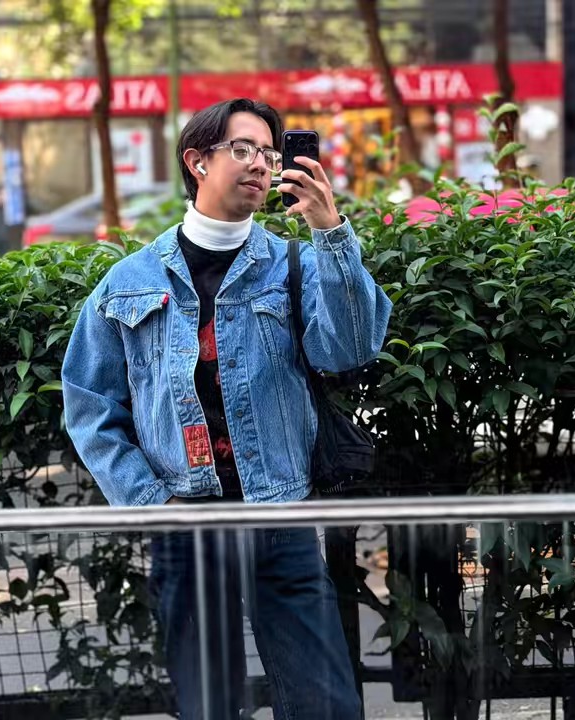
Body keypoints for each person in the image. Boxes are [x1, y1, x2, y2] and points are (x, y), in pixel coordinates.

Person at [62, 98, 392, 719]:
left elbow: (349, 349)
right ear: (197, 162)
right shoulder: (129, 282)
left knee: (324, 705)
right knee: (208, 706)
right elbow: (89, 407)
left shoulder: (293, 265)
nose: (262, 164)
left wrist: (331, 233)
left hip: (280, 517)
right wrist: (152, 503)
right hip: (186, 526)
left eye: (269, 153)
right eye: (243, 149)